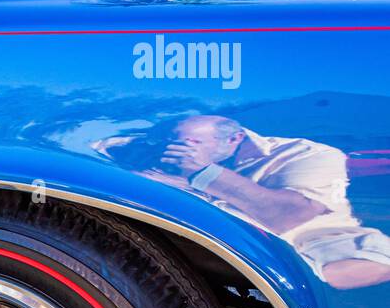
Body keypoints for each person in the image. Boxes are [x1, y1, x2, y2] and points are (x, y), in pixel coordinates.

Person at [110, 115, 390, 290]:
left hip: (315, 246)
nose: (171, 152)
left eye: (186, 144)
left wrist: (204, 174)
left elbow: (289, 214)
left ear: (234, 139)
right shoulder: (164, 155)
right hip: (218, 250)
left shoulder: (308, 154)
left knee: (364, 264)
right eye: (168, 143)